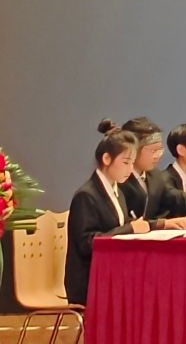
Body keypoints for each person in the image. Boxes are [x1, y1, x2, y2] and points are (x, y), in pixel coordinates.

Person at [65, 120, 150, 306]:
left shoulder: (117, 192)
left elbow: (124, 224)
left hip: (111, 273)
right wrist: (130, 229)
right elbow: (88, 243)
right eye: (125, 162)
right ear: (106, 159)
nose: (130, 169)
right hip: (89, 279)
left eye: (132, 163)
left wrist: (157, 224)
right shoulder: (86, 195)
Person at [118, 117, 186, 230]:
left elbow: (176, 199)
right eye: (153, 150)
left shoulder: (154, 176)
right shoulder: (119, 179)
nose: (158, 155)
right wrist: (160, 223)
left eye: (160, 150)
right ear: (134, 149)